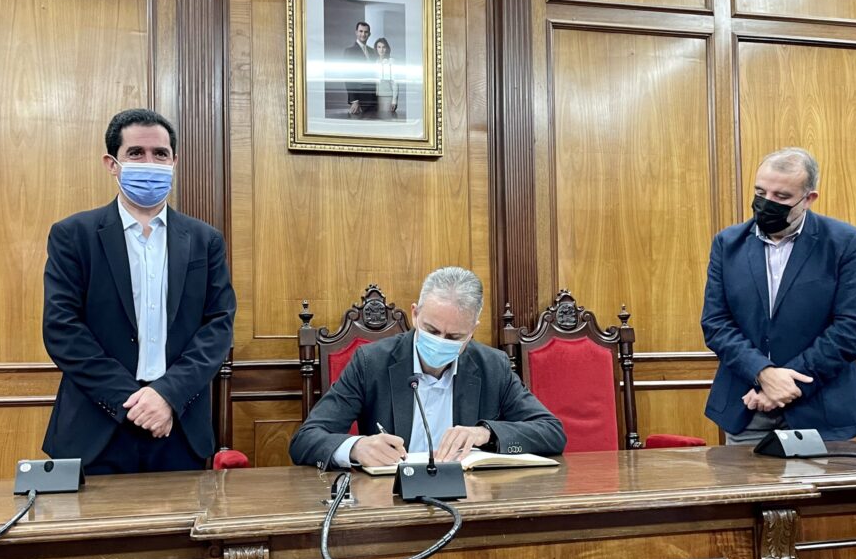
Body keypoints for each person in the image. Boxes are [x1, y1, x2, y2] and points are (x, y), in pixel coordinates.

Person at [42, 108, 236, 473]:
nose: (150, 162)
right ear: (112, 164)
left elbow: (218, 327)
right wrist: (133, 402)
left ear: (174, 162)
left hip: (178, 427)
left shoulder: (205, 240)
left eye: (160, 154)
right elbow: (62, 329)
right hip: (96, 428)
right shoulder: (73, 235)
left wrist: (166, 395)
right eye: (136, 153)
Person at [289, 266, 566, 469]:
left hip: (470, 500)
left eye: (454, 336)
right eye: (431, 330)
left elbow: (552, 433)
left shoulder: (492, 366)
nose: (440, 341)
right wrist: (356, 448)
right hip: (390, 502)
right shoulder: (371, 362)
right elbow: (305, 440)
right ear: (415, 314)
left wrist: (485, 433)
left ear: (472, 330)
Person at [701, 147, 856, 444]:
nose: (766, 202)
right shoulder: (728, 244)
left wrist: (784, 384)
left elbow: (852, 329)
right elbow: (716, 324)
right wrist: (763, 374)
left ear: (809, 199)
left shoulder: (845, 243)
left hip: (822, 411)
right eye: (760, 192)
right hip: (748, 407)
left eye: (781, 197)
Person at [343, 21, 378, 116]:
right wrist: (355, 100)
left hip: (375, 99)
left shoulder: (372, 51)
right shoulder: (349, 51)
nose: (363, 34)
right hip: (360, 101)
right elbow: (348, 77)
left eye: (366, 32)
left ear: (369, 34)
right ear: (356, 32)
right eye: (361, 31)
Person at [373, 37, 399, 119]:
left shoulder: (391, 61)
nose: (381, 50)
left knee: (386, 117)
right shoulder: (376, 62)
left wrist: (394, 100)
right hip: (376, 95)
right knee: (379, 118)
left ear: (387, 49)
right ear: (376, 49)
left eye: (383, 47)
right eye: (379, 47)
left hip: (387, 95)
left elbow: (395, 83)